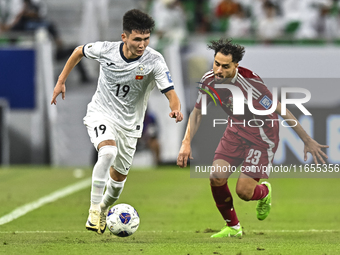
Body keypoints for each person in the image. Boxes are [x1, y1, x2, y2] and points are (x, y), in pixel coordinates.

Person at [177, 38, 328, 238]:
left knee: (244, 192)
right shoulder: (208, 80)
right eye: (216, 64)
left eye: (225, 66)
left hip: (262, 136)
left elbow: (280, 109)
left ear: (236, 66)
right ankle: (233, 227)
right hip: (236, 129)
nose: (218, 70)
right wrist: (186, 142)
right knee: (216, 177)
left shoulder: (251, 84)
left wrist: (307, 140)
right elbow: (197, 113)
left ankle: (264, 192)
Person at [51, 9, 183, 235]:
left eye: (146, 39)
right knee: (108, 152)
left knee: (118, 181)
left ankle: (103, 208)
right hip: (101, 112)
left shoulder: (155, 60)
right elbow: (78, 51)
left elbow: (170, 92)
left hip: (130, 126)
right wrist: (61, 81)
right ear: (124, 37)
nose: (142, 44)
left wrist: (176, 108)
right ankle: (93, 211)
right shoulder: (106, 50)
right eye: (137, 39)